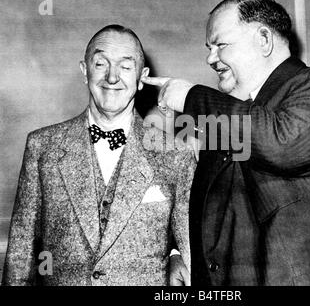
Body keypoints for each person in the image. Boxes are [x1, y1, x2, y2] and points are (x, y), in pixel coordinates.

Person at [142, 0, 310, 285]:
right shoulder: (226, 117)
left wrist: (189, 96)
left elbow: (283, 144)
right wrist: (177, 256)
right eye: (208, 49)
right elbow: (203, 212)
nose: (210, 59)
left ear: (263, 39)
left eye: (220, 45)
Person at [2, 24, 194, 286]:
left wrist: (175, 256)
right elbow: (20, 255)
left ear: (142, 77)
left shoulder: (175, 153)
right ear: (85, 71)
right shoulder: (42, 146)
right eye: (101, 64)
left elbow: (190, 247)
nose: (112, 77)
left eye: (126, 67)